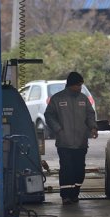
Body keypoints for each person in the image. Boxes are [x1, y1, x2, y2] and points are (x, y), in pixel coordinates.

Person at [44, 72, 98, 205]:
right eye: (78, 85)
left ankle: (75, 193)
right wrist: (58, 129)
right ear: (71, 85)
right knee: (67, 169)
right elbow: (49, 115)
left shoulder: (83, 99)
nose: (80, 87)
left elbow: (90, 115)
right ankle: (66, 196)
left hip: (81, 142)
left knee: (79, 169)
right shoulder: (57, 99)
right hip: (64, 142)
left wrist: (93, 127)